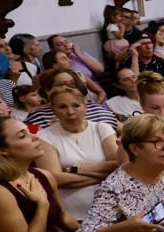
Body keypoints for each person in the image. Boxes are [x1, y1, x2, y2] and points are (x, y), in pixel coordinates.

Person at [35, 85, 120, 222]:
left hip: (113, 207)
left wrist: (74, 169)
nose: (70, 111)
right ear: (53, 110)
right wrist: (103, 177)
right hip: (74, 215)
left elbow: (118, 166)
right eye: (62, 107)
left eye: (76, 105)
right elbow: (54, 179)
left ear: (85, 106)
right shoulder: (44, 136)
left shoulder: (102, 128)